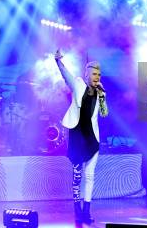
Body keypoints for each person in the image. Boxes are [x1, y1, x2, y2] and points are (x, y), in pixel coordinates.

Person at [55, 49, 108, 224]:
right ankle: (77, 208)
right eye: (94, 73)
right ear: (87, 74)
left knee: (90, 175)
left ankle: (87, 211)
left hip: (92, 138)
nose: (96, 76)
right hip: (78, 136)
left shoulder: (100, 93)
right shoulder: (78, 84)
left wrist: (102, 96)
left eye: (99, 74)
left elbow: (104, 113)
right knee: (77, 176)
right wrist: (58, 62)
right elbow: (66, 75)